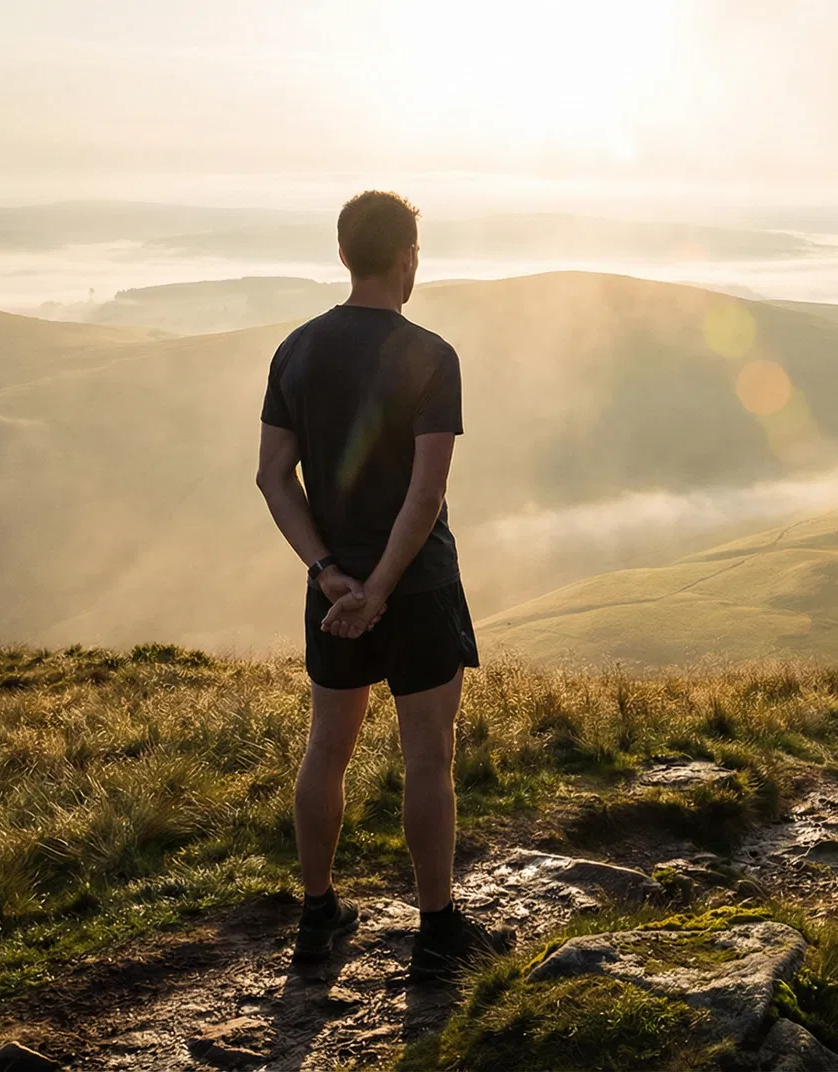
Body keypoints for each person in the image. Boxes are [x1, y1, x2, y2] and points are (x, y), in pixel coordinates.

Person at [255, 190, 511, 979]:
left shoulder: (295, 350)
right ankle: (436, 931)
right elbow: (425, 492)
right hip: (420, 585)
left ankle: (318, 914)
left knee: (326, 749)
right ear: (408, 258)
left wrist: (333, 577)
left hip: (333, 592)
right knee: (428, 757)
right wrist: (384, 589)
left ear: (343, 256)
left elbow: (272, 477)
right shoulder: (431, 354)